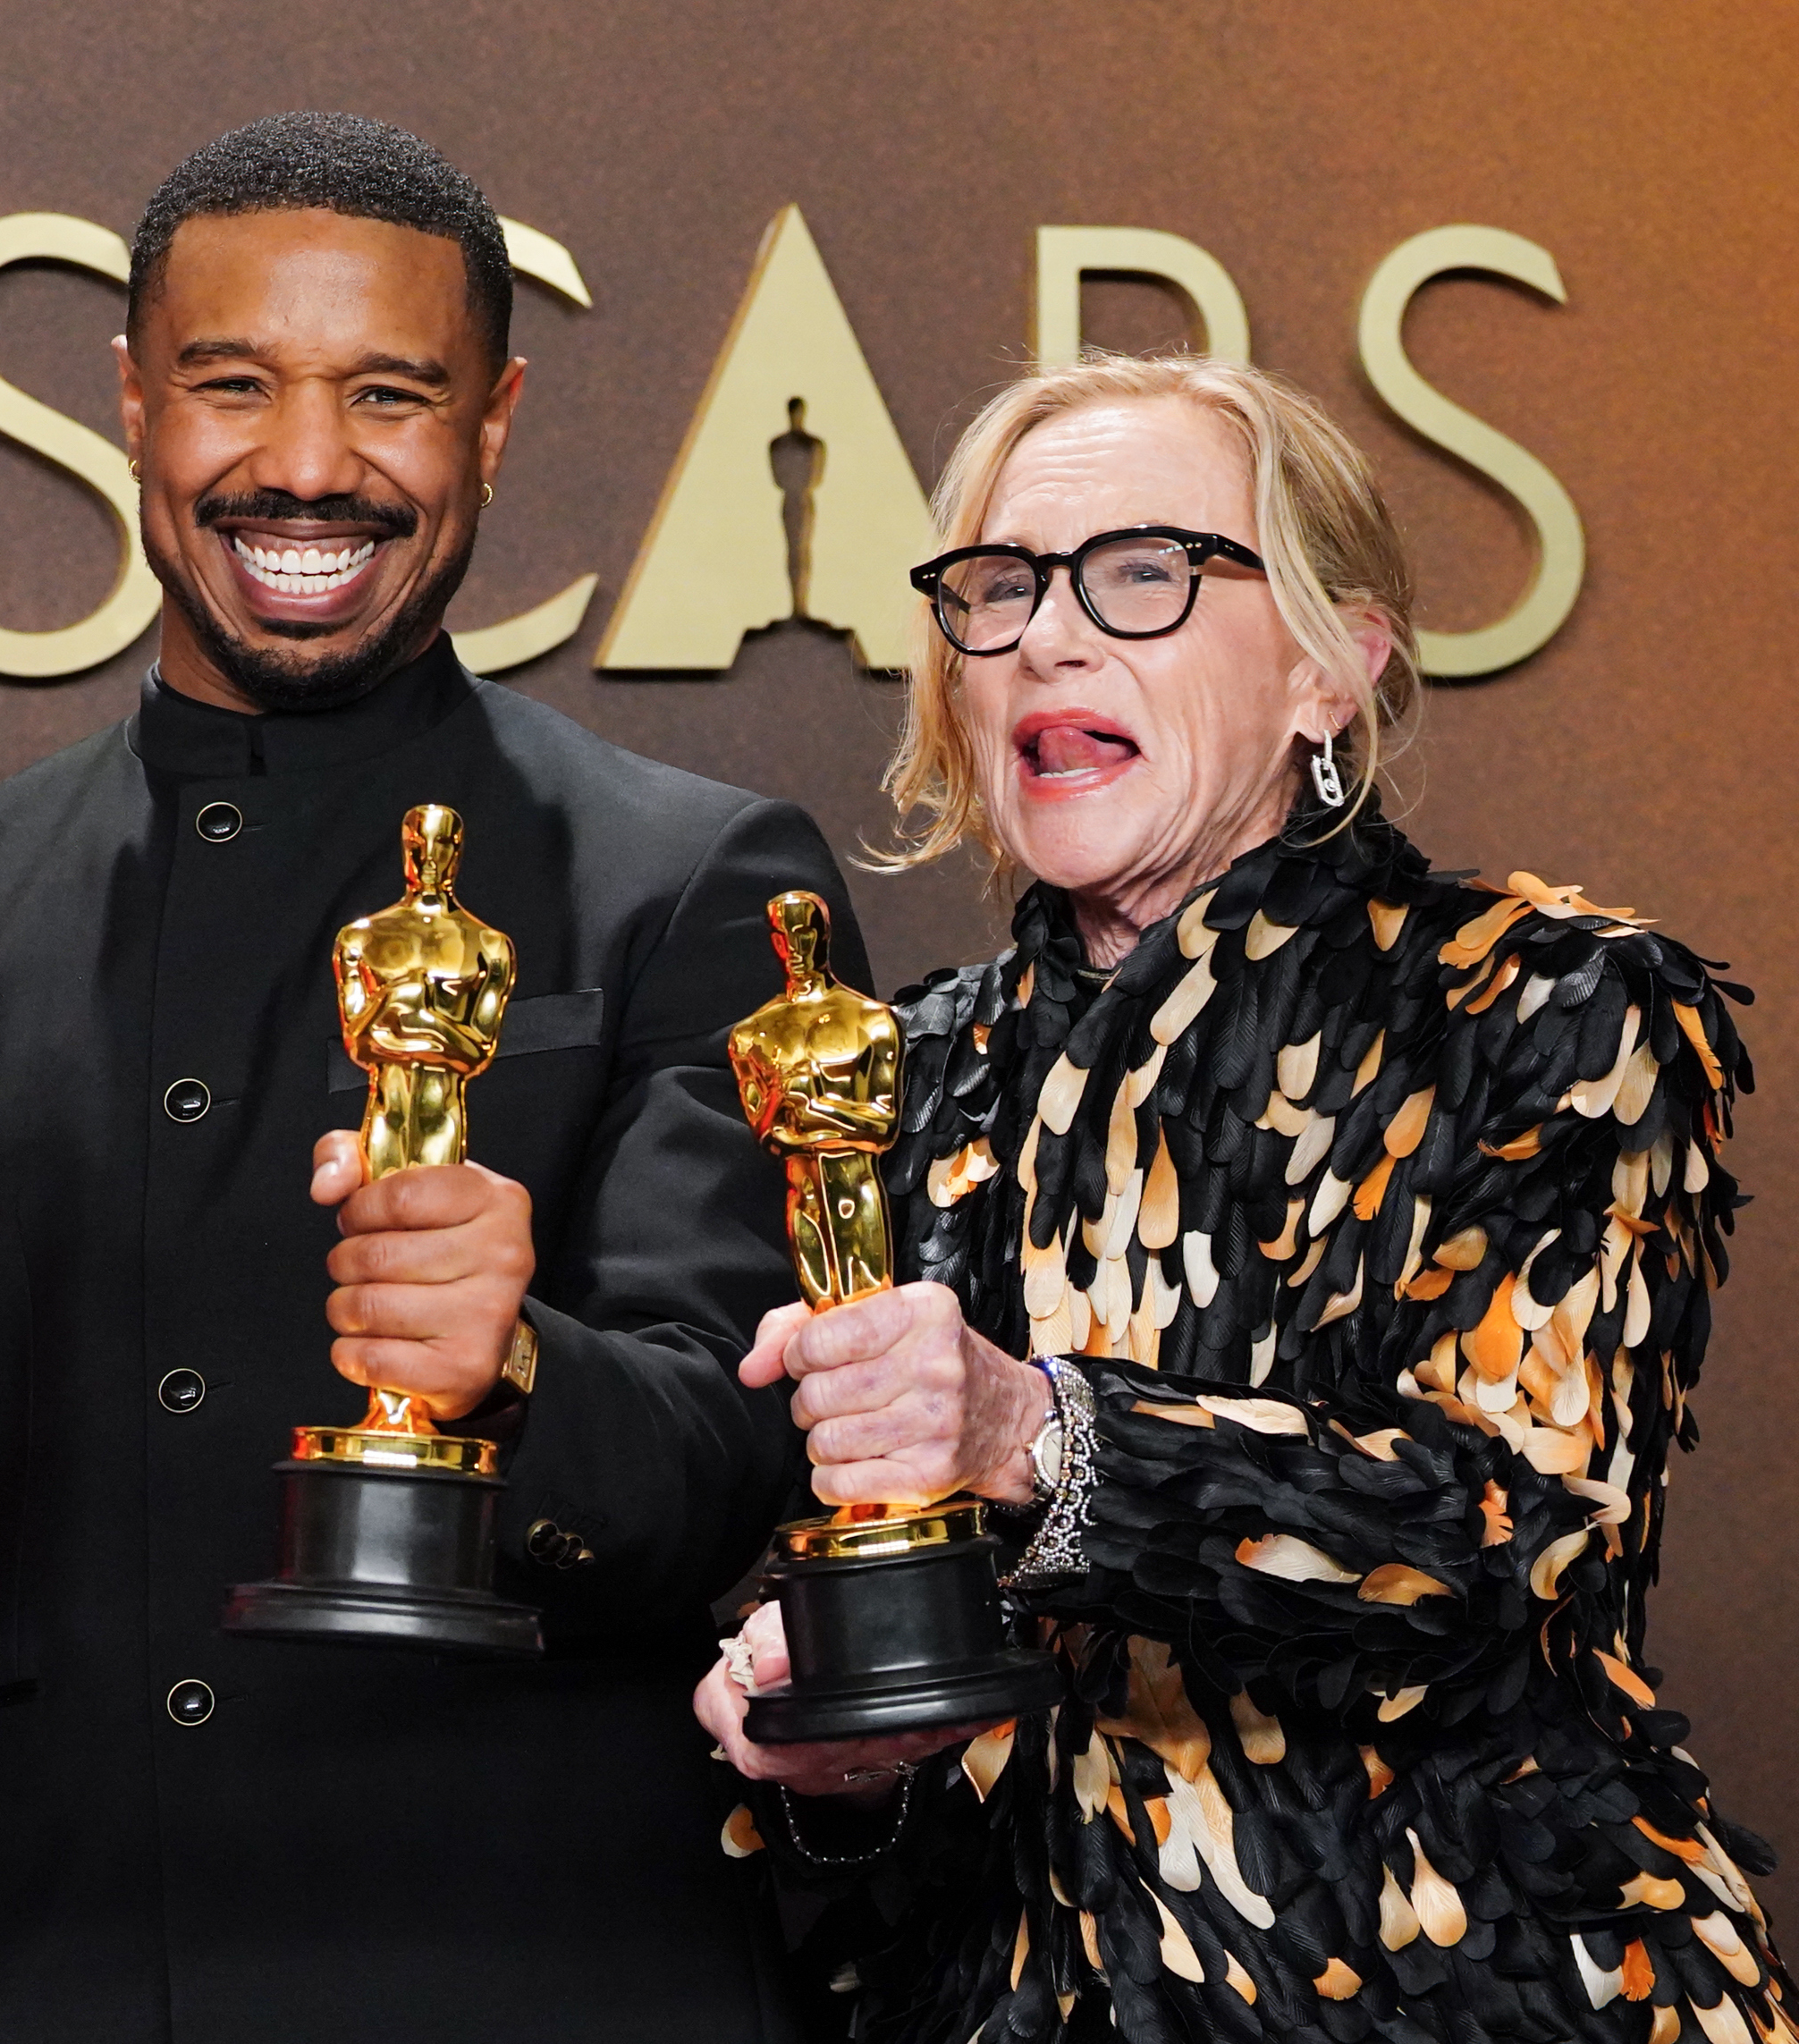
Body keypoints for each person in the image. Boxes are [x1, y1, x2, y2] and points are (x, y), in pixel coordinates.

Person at [0, 113, 857, 2042]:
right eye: (233, 386)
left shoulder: (691, 884)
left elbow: (757, 1476)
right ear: (131, 406)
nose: (306, 465)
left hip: (530, 1979)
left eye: (390, 395)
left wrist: (524, 1371)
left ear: (494, 422)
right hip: (16, 1983)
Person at [691, 354, 1795, 2043]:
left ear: (1326, 668)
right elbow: (859, 1682)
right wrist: (825, 1761)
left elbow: (1504, 1536)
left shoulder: (1550, 1010)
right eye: (998, 588)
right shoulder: (882, 1080)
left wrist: (1037, 1436)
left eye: (1140, 571)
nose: (1046, 637)